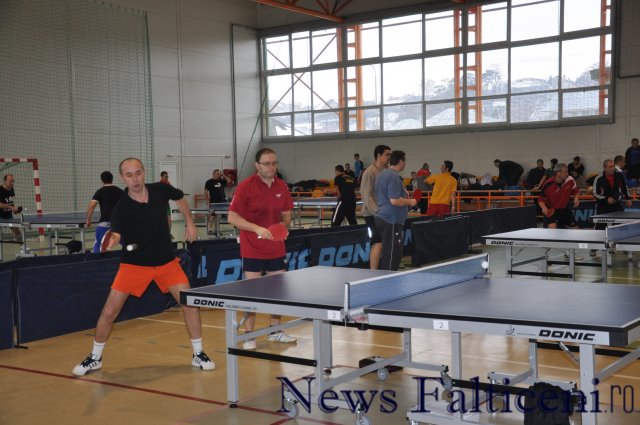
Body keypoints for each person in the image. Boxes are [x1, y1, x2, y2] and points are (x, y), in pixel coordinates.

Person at [72, 158, 214, 376]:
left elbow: (179, 198)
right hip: (134, 265)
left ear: (144, 172)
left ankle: (198, 353)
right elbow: (116, 233)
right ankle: (95, 357)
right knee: (109, 312)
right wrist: (112, 240)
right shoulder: (121, 207)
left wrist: (189, 222)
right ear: (122, 178)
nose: (135, 179)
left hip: (166, 262)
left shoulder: (159, 190)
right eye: (129, 175)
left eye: (138, 173)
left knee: (190, 305)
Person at [227, 148, 296, 351]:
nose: (271, 167)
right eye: (267, 163)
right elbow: (232, 217)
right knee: (252, 293)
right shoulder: (245, 186)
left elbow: (286, 213)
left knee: (277, 292)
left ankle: (275, 331)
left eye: (274, 163)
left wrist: (284, 226)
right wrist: (257, 228)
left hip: (276, 247)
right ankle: (249, 335)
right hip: (252, 248)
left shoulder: (281, 185)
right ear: (257, 165)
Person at [373, 151, 417, 270]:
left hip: (382, 217)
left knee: (388, 250)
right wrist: (410, 202)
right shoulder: (393, 176)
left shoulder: (382, 174)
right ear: (401, 161)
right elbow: (394, 200)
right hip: (391, 220)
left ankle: (386, 276)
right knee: (392, 253)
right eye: (405, 161)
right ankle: (389, 278)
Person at [360, 145, 391, 270]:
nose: (389, 157)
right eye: (387, 154)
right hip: (372, 214)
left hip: (385, 214)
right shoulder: (369, 172)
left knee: (384, 244)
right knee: (377, 244)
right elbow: (366, 195)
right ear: (379, 155)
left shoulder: (386, 171)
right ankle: (373, 274)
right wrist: (378, 213)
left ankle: (383, 271)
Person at [85, 171, 125, 253]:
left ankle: (96, 260)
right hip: (118, 224)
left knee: (98, 244)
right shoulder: (120, 191)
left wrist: (88, 220)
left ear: (102, 180)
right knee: (126, 244)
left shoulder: (100, 192)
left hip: (104, 224)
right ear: (112, 179)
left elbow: (91, 206)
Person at [538, 163, 580, 229]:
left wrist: (576, 199)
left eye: (567, 171)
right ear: (558, 173)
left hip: (564, 209)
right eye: (565, 172)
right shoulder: (548, 183)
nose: (567, 173)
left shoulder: (570, 180)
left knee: (575, 229)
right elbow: (540, 199)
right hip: (551, 210)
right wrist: (543, 207)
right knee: (552, 230)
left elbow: (576, 191)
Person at [204, 169, 232, 236]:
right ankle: (210, 229)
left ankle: (216, 229)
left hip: (222, 202)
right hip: (214, 202)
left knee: (218, 216)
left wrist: (223, 175)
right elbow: (205, 192)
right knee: (213, 215)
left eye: (219, 174)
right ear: (213, 174)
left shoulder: (221, 181)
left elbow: (229, 181)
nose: (219, 175)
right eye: (217, 174)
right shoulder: (209, 182)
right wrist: (207, 201)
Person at [0, 174, 23, 243]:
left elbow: (11, 202)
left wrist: (16, 210)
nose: (12, 183)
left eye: (13, 181)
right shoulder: (0, 190)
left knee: (17, 231)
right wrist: (11, 207)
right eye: (10, 181)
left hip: (8, 216)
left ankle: (22, 247)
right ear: (5, 181)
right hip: (0, 215)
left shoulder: (12, 190)